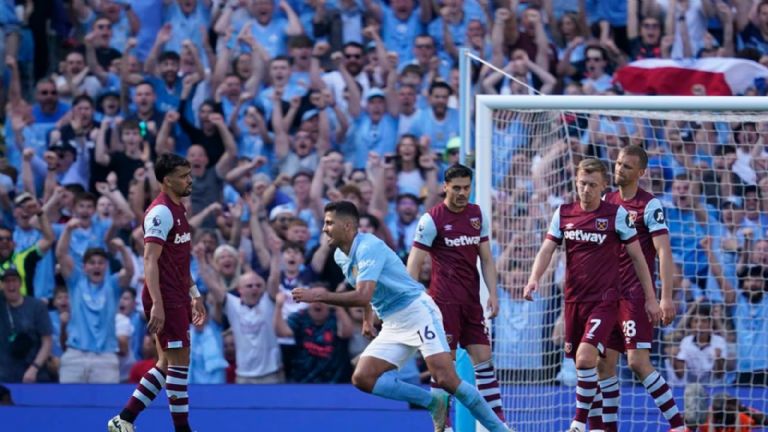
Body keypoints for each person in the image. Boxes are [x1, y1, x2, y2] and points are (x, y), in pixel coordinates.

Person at [292, 201, 512, 432]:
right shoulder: (340, 255)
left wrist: (318, 295)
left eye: (329, 223)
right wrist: (368, 319)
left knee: (446, 377)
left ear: (347, 226)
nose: (324, 228)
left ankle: (501, 430)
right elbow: (367, 289)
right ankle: (432, 402)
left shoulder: (369, 247)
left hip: (417, 311)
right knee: (363, 377)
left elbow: (363, 293)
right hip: (393, 321)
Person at [524, 158, 661, 432]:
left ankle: (577, 423)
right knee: (589, 368)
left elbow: (638, 259)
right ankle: (600, 428)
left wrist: (651, 297)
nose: (585, 190)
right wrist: (533, 279)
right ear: (576, 182)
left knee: (585, 359)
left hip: (606, 301)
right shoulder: (563, 213)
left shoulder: (616, 215)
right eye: (582, 184)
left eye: (592, 185)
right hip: (574, 302)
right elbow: (547, 250)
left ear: (603, 187)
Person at [109, 153, 206, 432]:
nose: (190, 180)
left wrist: (195, 293)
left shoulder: (179, 209)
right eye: (184, 176)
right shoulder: (161, 212)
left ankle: (124, 419)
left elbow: (178, 259)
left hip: (176, 294)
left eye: (190, 174)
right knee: (179, 365)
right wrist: (158, 305)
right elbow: (149, 260)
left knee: (165, 364)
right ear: (167, 180)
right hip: (166, 297)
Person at [407, 163, 505, 425]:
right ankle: (442, 426)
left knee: (484, 361)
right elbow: (415, 263)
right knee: (443, 369)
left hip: (471, 303)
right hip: (442, 304)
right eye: (457, 188)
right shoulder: (432, 219)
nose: (463, 193)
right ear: (445, 187)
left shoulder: (477, 215)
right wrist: (409, 302)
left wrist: (493, 294)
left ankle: (497, 424)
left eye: (467, 188)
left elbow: (486, 258)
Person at [598, 146, 685, 431]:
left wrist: (665, 297)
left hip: (635, 295)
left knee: (637, 362)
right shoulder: (606, 201)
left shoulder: (649, 205)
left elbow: (663, 252)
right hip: (607, 296)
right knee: (604, 366)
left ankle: (678, 424)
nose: (619, 169)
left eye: (627, 166)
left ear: (641, 173)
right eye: (618, 163)